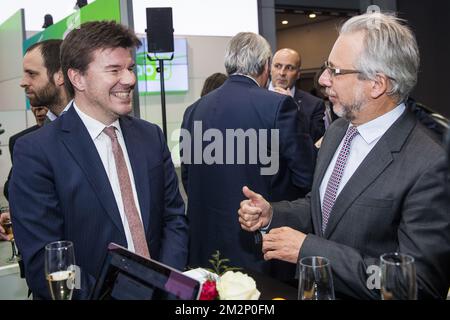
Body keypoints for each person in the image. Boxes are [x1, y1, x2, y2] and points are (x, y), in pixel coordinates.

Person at [238, 12, 450, 299]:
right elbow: (325, 209)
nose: (323, 79)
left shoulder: (430, 163)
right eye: (327, 68)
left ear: (377, 84)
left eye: (335, 71)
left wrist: (308, 250)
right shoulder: (338, 131)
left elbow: (414, 283)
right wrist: (274, 214)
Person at [9, 21, 188, 299]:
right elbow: (48, 261)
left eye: (130, 68)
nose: (129, 79)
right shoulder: (37, 152)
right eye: (114, 70)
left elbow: (174, 218)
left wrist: (167, 284)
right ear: (77, 78)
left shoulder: (150, 136)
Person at [181, 32, 315, 278]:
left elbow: (188, 177)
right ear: (265, 65)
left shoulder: (194, 110)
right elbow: (306, 177)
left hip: (204, 244)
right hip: (259, 248)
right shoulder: (279, 106)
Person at [269, 48, 326, 143]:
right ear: (270, 69)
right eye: (278, 66)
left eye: (289, 68)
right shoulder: (254, 98)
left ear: (298, 74)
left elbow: (316, 141)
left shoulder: (314, 104)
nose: (282, 73)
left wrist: (294, 109)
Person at [20, 39, 71, 120]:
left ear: (60, 76)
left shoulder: (93, 121)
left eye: (31, 73)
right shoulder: (44, 128)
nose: (22, 83)